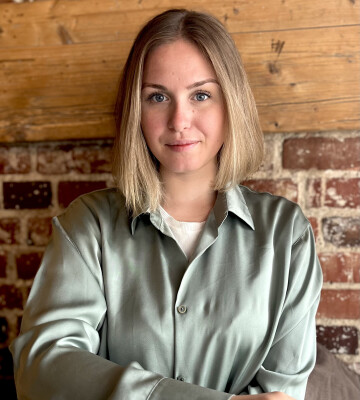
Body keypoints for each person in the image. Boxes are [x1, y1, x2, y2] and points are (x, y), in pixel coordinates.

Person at [10, 9, 323, 400]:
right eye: (157, 96)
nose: (179, 119)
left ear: (232, 104)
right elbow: (43, 368)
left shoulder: (286, 233)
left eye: (201, 95)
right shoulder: (88, 226)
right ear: (135, 112)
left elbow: (282, 392)